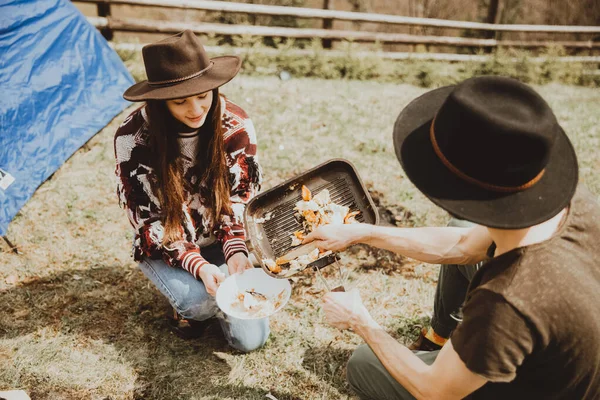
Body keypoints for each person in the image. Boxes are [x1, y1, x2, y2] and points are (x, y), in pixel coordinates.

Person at [304, 76, 600, 399]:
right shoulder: (572, 203)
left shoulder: (505, 301)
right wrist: (362, 232)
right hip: (559, 356)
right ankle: (442, 338)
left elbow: (435, 392)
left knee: (363, 362)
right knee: (461, 228)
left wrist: (359, 320)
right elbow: (462, 245)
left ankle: (453, 358)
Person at [114, 30, 269, 351]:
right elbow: (150, 219)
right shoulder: (133, 139)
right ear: (158, 102)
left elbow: (240, 197)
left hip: (221, 234)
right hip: (167, 239)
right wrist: (198, 265)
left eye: (203, 95)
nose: (196, 108)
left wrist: (236, 249)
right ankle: (190, 302)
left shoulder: (236, 125)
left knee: (250, 341)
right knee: (198, 304)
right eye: (180, 100)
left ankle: (218, 285)